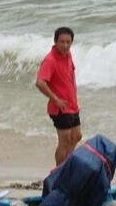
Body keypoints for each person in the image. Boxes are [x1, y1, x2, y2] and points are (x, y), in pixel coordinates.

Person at [35, 26, 81, 166]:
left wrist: (75, 99)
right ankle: (60, 171)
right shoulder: (50, 60)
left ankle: (67, 163)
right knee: (65, 140)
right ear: (55, 41)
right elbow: (40, 83)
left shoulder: (68, 55)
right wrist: (55, 99)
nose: (65, 45)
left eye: (68, 42)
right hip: (59, 108)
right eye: (62, 42)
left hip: (71, 105)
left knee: (77, 136)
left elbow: (71, 76)